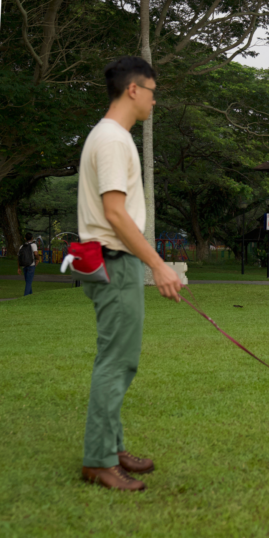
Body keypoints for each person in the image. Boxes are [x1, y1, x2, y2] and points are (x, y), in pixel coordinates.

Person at [78, 56, 182, 492]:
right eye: (154, 93)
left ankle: (112, 446)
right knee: (116, 362)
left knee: (119, 359)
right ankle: (99, 460)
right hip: (116, 262)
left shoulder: (109, 137)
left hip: (113, 261)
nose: (156, 102)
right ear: (134, 90)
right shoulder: (113, 140)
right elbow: (116, 214)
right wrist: (158, 265)